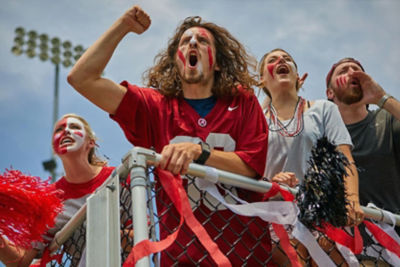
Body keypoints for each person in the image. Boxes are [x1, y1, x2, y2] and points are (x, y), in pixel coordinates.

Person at [67, 5, 270, 266]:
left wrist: (200, 152)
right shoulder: (156, 106)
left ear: (218, 63)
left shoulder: (241, 100)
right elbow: (81, 78)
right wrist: (124, 26)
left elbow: (252, 167)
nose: (193, 42)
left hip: (245, 252)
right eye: (185, 41)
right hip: (183, 256)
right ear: (176, 60)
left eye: (202, 40)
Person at [259, 49, 364, 265]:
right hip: (274, 212)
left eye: (288, 59)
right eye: (273, 60)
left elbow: (345, 157)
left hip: (321, 210)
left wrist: (352, 198)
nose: (281, 60)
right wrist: (272, 182)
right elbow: (250, 166)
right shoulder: (257, 118)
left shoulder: (324, 109)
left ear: (299, 77)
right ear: (261, 80)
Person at [0, 113, 116, 267]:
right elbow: (21, 261)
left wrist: (105, 232)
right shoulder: (49, 201)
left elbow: (141, 235)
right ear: (54, 148)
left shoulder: (118, 177)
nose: (66, 131)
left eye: (74, 127)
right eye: (59, 130)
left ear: (91, 143)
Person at [326, 58, 400, 229]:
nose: (352, 72)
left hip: (393, 240)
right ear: (330, 93)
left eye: (356, 69)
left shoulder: (386, 120)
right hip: (344, 245)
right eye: (344, 71)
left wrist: (381, 98)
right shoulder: (323, 134)